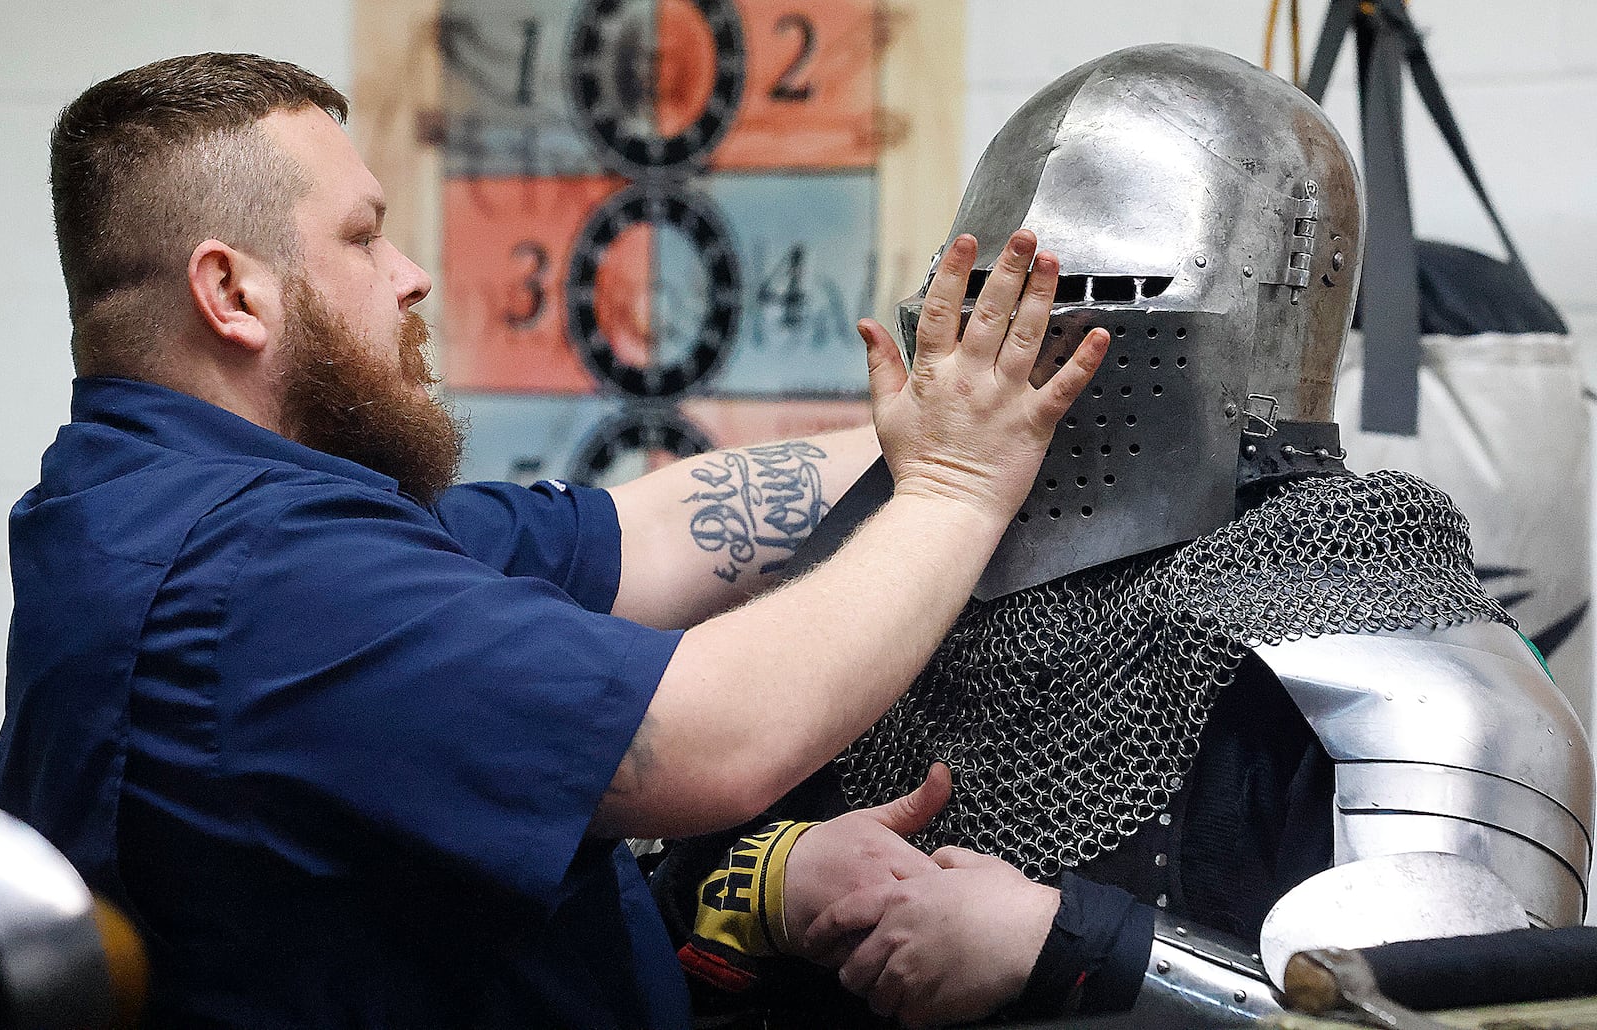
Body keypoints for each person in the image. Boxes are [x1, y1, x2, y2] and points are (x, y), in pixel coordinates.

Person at [0, 52, 1109, 1027]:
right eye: (363, 236)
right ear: (231, 291)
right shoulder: (260, 584)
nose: (410, 275)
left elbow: (651, 527)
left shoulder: (168, 504)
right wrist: (958, 487)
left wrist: (949, 425)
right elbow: (720, 738)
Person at [659, 44, 1596, 1029]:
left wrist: (1068, 949)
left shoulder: (1419, 691)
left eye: (1105, 292)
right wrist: (760, 880)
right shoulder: (882, 577)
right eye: (975, 299)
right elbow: (659, 903)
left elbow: (1440, 1020)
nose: (1012, 346)